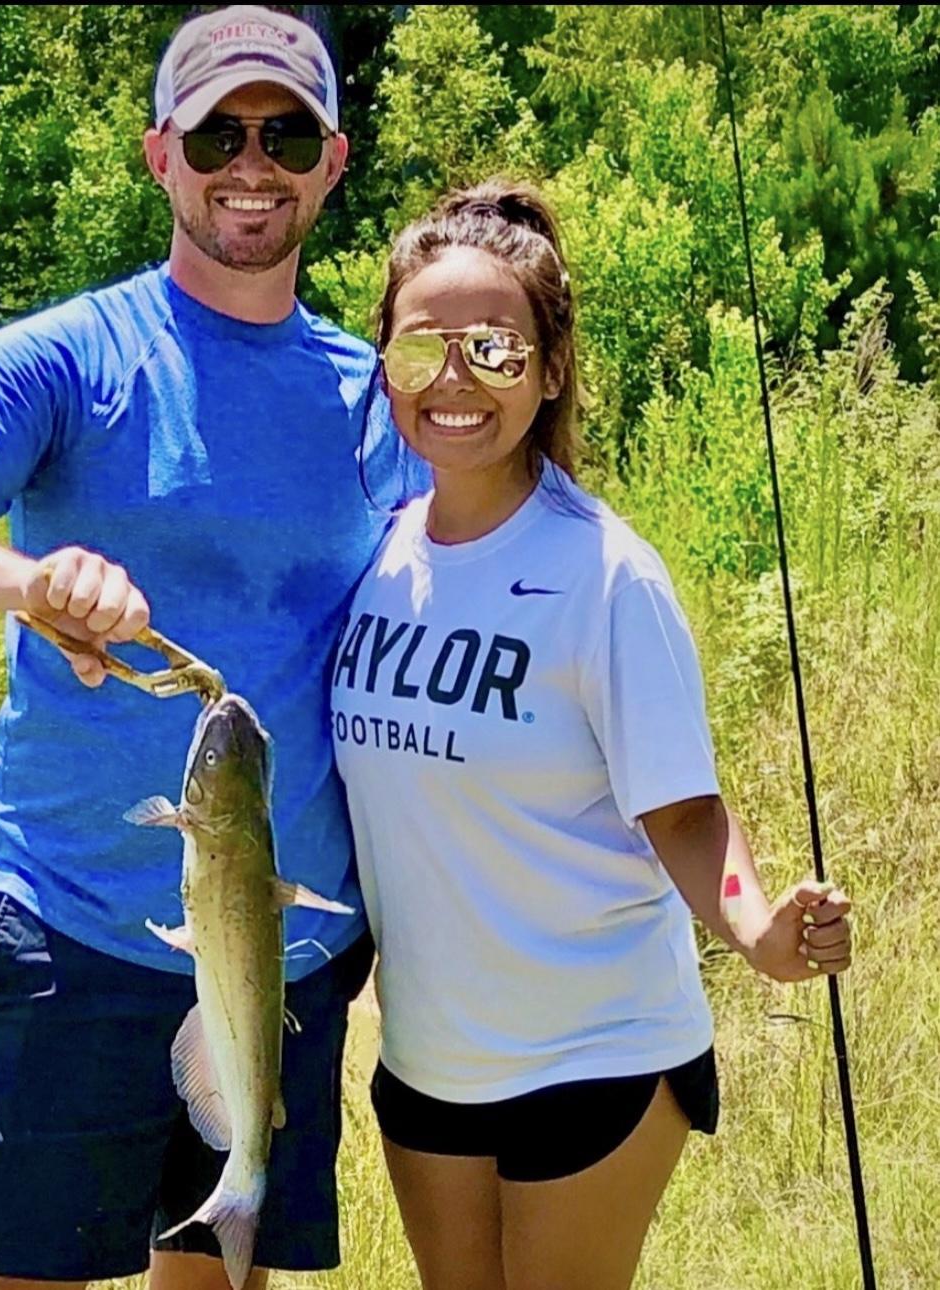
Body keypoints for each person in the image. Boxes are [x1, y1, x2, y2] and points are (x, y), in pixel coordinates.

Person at [0, 8, 398, 1288]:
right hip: (70, 942)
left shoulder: (378, 396)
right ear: (159, 155)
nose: (250, 165)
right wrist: (29, 582)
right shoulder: (69, 357)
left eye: (285, 134)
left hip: (284, 961)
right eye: (216, 135)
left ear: (332, 161)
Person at [329, 179, 855, 1290]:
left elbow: (684, 808)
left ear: (553, 368)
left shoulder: (606, 575)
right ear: (386, 366)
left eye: (495, 349)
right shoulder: (374, 558)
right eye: (421, 348)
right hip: (428, 1063)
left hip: (596, 1055)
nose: (455, 379)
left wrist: (757, 929)